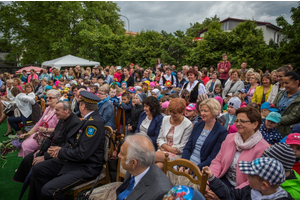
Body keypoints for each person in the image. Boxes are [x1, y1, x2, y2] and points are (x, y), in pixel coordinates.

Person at [28, 91, 106, 200]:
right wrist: (60, 150)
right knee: (38, 168)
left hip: (87, 167)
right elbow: (75, 143)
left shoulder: (93, 124)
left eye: (79, 103)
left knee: (50, 190)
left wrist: (60, 152)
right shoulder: (88, 119)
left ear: (83, 106)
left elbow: (83, 153)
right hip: (76, 161)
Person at [13, 101, 81, 183]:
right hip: (51, 149)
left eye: (57, 110)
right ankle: (30, 182)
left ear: (66, 111)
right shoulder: (62, 118)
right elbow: (51, 137)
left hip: (59, 155)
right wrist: (40, 150)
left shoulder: (75, 122)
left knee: (38, 166)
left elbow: (66, 146)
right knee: (28, 159)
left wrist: (45, 157)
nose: (55, 112)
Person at [209, 107, 269, 189]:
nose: (238, 124)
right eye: (237, 121)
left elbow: (256, 180)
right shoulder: (230, 138)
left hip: (243, 190)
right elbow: (218, 160)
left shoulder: (263, 148)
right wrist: (210, 180)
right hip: (223, 180)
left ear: (255, 124)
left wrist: (230, 194)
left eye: (242, 121)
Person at [115, 134, 173, 200]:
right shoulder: (137, 168)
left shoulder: (160, 193)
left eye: (122, 154)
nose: (118, 155)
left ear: (133, 163)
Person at [203, 157, 293, 200]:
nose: (247, 177)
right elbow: (230, 194)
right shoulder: (251, 189)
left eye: (250, 176)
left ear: (264, 185)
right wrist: (212, 178)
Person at [182, 98, 228, 171]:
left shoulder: (221, 132)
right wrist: (184, 164)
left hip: (202, 168)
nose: (202, 113)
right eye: (201, 110)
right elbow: (188, 146)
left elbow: (213, 157)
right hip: (188, 162)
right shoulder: (197, 125)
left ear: (214, 112)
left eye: (205, 111)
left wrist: (194, 170)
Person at [18, 89, 60, 157]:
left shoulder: (59, 111)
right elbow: (38, 124)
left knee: (27, 146)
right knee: (24, 142)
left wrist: (45, 130)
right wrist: (28, 133)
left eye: (50, 98)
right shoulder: (48, 108)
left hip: (49, 137)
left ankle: (31, 162)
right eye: (47, 97)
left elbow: (60, 128)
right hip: (40, 134)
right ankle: (27, 163)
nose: (48, 99)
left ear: (57, 99)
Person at [155, 98, 193, 168]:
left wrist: (166, 148)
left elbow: (183, 146)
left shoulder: (187, 124)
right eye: (170, 111)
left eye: (174, 113)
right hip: (163, 150)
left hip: (176, 154)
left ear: (182, 112)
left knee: (149, 157)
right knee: (158, 166)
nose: (171, 114)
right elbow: (160, 138)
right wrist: (167, 147)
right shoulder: (165, 119)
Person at [274, 72, 300, 137]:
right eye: (283, 83)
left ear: (296, 82)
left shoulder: (298, 99)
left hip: (290, 132)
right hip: (274, 129)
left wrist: (274, 119)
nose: (284, 85)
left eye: (287, 83)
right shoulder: (281, 93)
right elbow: (273, 106)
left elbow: (292, 117)